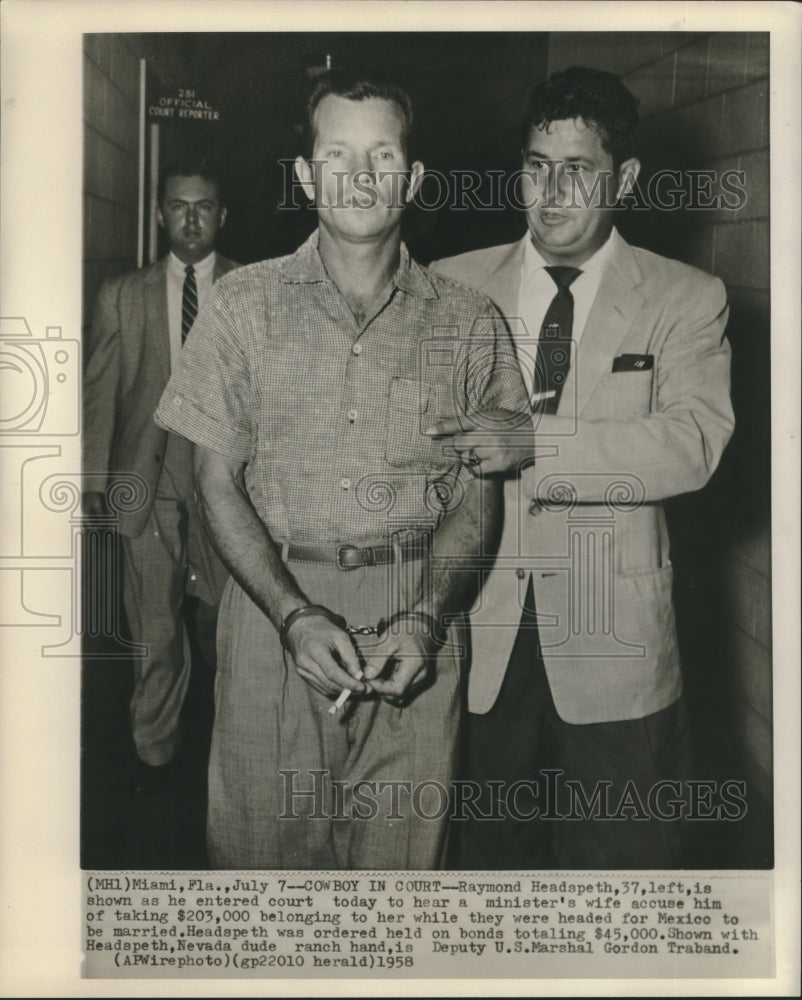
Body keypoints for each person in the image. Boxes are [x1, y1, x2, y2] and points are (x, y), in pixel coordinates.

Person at [154, 70, 528, 870]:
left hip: (415, 631)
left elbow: (474, 503)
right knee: (262, 881)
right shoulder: (241, 306)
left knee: (397, 896)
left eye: (382, 154)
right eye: (336, 154)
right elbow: (213, 480)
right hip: (272, 617)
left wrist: (428, 618)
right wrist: (292, 615)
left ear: (415, 179)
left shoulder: (470, 322)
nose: (359, 176)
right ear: (304, 175)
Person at [427, 66, 735, 868]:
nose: (552, 193)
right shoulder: (454, 285)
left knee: (623, 868)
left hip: (616, 639)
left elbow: (693, 442)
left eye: (579, 171)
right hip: (482, 631)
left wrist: (540, 443)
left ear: (625, 179)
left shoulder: (684, 297)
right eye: (536, 166)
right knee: (487, 868)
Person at [83, 156, 237, 792]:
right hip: (147, 481)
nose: (192, 218)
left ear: (222, 215)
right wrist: (95, 479)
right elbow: (100, 392)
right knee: (153, 624)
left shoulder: (251, 287)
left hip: (225, 482)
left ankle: (233, 749)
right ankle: (154, 758)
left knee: (222, 623)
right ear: (160, 214)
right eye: (179, 205)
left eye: (203, 206)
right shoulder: (123, 295)